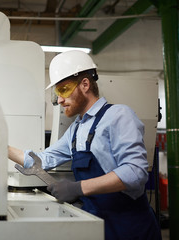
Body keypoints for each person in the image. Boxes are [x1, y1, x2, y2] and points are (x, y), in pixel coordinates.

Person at [8, 50, 161, 240]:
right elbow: (43, 160)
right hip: (96, 225)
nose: (60, 100)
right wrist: (0, 146)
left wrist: (77, 188)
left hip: (129, 227)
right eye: (58, 93)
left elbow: (135, 172)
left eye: (64, 90)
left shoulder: (119, 116)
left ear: (85, 84)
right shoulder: (76, 129)